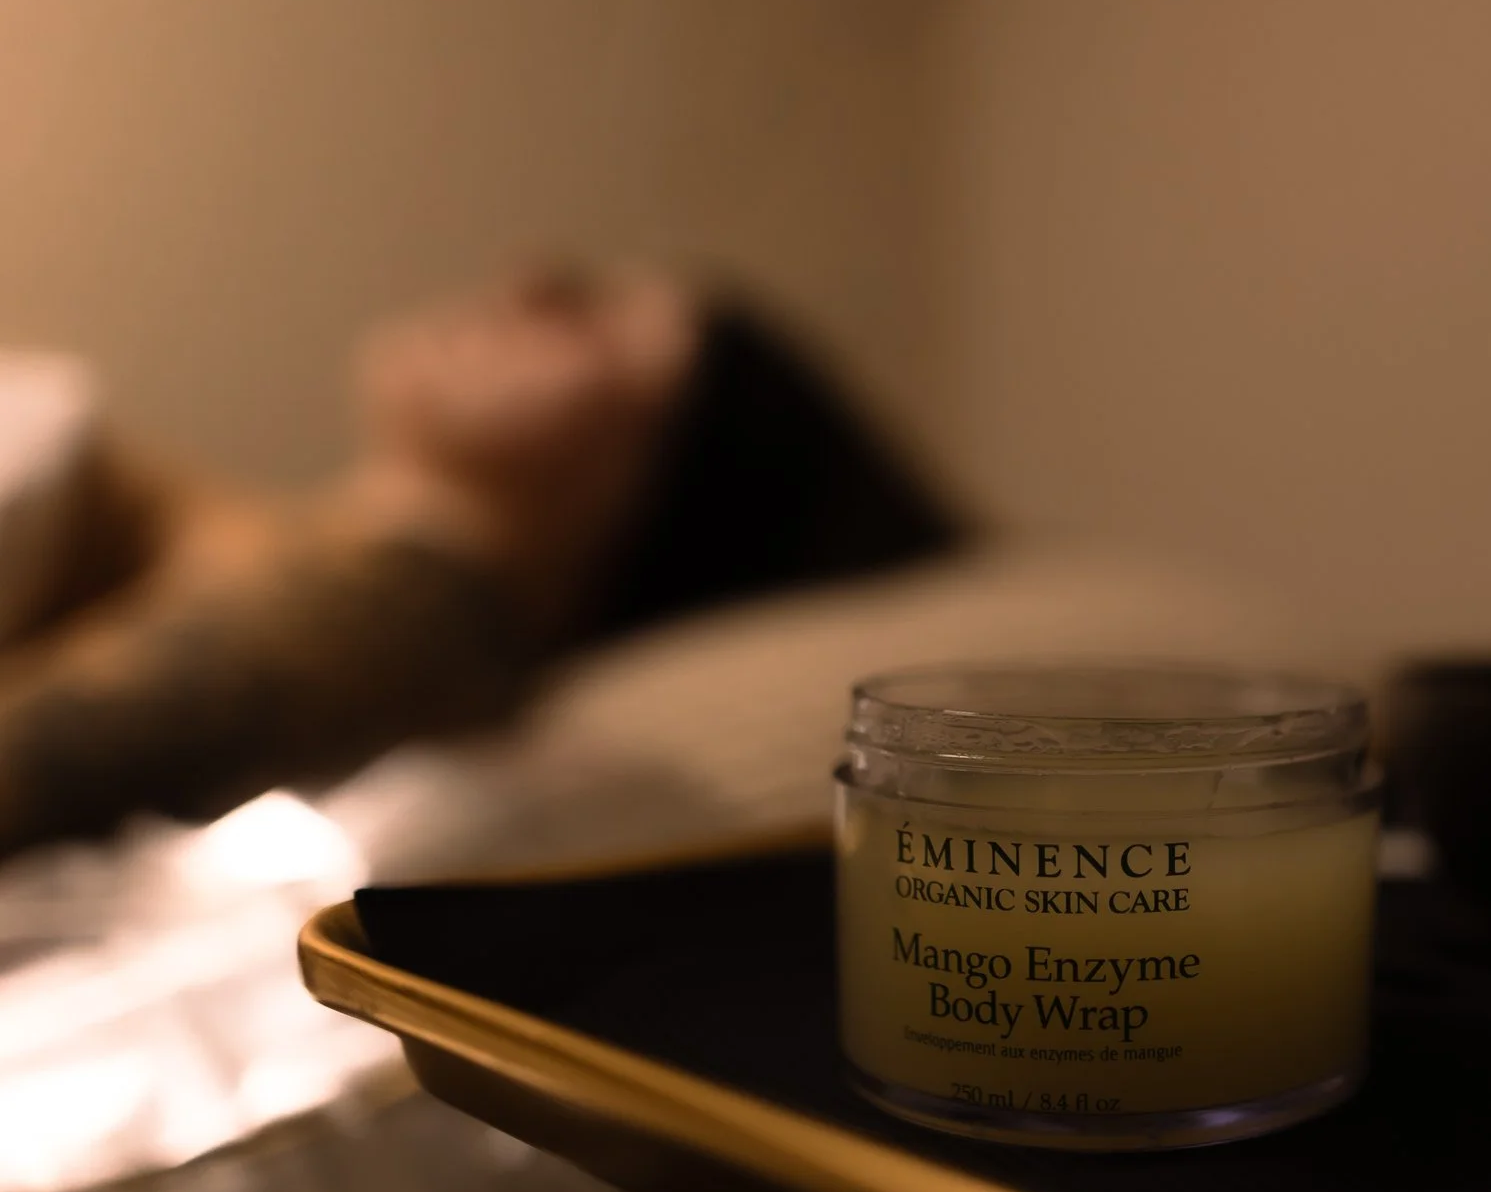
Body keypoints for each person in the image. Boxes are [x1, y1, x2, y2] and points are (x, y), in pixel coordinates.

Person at [0, 266, 960, 858]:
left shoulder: (403, 628)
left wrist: (448, 554)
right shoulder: (123, 497)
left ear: (673, 497)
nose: (531, 282)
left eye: (592, 327)